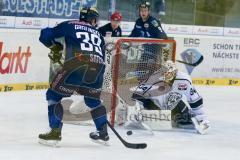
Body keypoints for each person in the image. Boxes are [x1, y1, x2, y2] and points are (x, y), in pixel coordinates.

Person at [38, 7, 109, 146]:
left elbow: (44, 34)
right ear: (93, 19)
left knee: (53, 95)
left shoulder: (70, 24)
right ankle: (103, 132)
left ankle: (55, 132)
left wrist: (55, 47)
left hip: (76, 65)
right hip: (98, 69)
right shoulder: (99, 34)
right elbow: (101, 56)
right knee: (93, 101)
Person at [121, 61, 210, 134]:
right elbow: (133, 92)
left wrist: (202, 119)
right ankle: (136, 115)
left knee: (185, 122)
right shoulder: (152, 79)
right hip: (153, 106)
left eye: (170, 79)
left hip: (172, 105)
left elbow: (194, 100)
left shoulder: (184, 81)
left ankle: (179, 117)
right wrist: (134, 109)